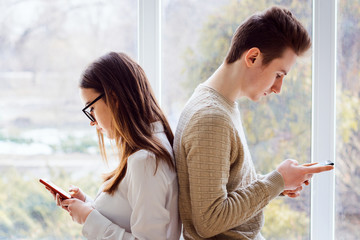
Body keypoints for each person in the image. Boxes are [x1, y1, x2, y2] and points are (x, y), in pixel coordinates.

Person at [173, 6, 334, 240]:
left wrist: (279, 183)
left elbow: (226, 189)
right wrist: (276, 181)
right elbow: (208, 220)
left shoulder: (222, 106)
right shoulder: (211, 118)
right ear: (253, 57)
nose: (279, 88)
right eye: (279, 74)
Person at [46, 52, 181, 240]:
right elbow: (126, 217)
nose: (92, 121)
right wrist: (87, 204)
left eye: (91, 108)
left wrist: (88, 217)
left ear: (114, 99)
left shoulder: (146, 161)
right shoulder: (146, 151)